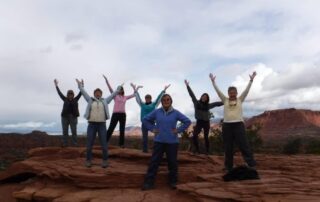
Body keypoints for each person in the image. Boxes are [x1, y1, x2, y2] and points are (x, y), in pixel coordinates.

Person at [209, 71, 257, 172]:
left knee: (244, 145)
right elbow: (218, 92)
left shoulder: (240, 99)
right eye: (230, 93)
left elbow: (246, 91)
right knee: (228, 147)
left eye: (234, 93)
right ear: (228, 94)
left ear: (236, 93)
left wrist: (251, 80)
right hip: (227, 126)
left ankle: (251, 164)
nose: (232, 94)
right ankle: (228, 166)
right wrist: (213, 82)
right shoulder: (225, 100)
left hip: (239, 124)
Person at [142, 94, 191, 190]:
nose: (166, 101)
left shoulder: (176, 113)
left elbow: (187, 121)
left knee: (172, 163)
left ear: (171, 101)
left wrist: (178, 130)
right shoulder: (157, 112)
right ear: (161, 102)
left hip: (172, 142)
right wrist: (152, 129)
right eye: (164, 100)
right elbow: (145, 120)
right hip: (159, 141)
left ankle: (173, 182)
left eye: (168, 99)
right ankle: (149, 183)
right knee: (154, 162)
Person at [76, 78, 121, 168]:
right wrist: (80, 85)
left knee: (104, 144)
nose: (97, 93)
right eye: (96, 92)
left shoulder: (105, 101)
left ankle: (105, 161)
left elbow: (113, 95)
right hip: (91, 124)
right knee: (89, 144)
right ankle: (88, 160)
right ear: (94, 94)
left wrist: (118, 88)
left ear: (101, 94)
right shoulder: (90, 100)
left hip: (102, 125)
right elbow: (83, 92)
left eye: (99, 92)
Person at [184, 79, 223, 154]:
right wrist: (187, 86)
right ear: (201, 97)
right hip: (199, 122)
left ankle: (207, 151)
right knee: (195, 135)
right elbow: (192, 94)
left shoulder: (208, 106)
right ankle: (197, 150)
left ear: (207, 99)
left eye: (206, 97)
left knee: (206, 137)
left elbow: (216, 104)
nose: (204, 97)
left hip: (206, 122)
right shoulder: (196, 103)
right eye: (203, 96)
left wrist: (225, 102)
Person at [131, 83, 171, 153]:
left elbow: (159, 98)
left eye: (148, 98)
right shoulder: (142, 104)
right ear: (145, 99)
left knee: (157, 134)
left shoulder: (154, 105)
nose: (147, 99)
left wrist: (164, 90)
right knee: (144, 138)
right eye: (146, 98)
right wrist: (135, 89)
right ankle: (145, 150)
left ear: (150, 99)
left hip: (152, 122)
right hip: (144, 123)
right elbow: (138, 98)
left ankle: (157, 149)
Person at [103, 75, 135, 148]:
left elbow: (134, 95)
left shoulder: (125, 97)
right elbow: (110, 89)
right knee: (111, 128)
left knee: (122, 129)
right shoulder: (115, 96)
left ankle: (121, 144)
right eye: (119, 89)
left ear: (122, 90)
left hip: (123, 115)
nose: (120, 90)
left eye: (121, 89)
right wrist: (106, 80)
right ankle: (105, 142)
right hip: (115, 114)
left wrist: (134, 88)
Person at [54, 79, 82, 147]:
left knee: (74, 131)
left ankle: (75, 144)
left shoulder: (76, 99)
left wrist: (81, 85)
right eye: (69, 94)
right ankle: (65, 144)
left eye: (71, 94)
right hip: (65, 117)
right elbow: (59, 93)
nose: (70, 95)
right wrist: (56, 86)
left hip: (73, 117)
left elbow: (81, 92)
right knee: (65, 131)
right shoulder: (64, 99)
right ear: (67, 95)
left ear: (73, 95)